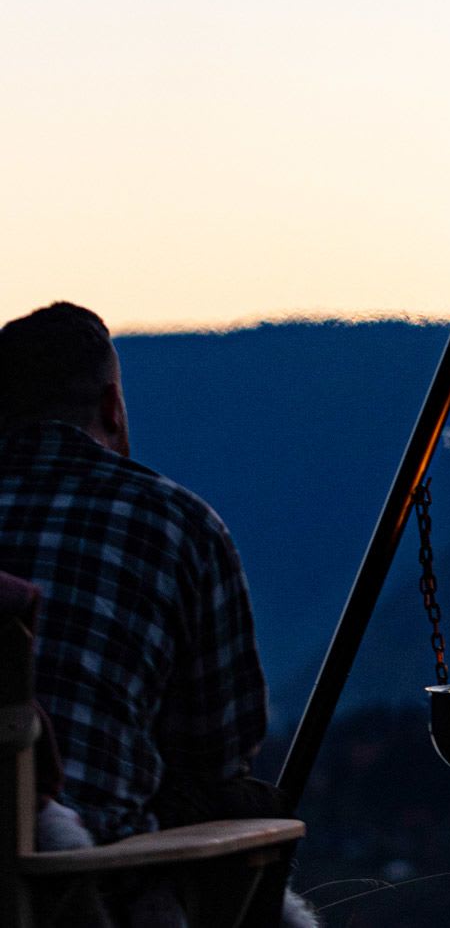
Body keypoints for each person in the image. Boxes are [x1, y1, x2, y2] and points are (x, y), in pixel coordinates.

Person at [0, 303, 274, 846]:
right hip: (87, 867)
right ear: (111, 406)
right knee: (248, 800)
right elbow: (222, 744)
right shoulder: (174, 521)